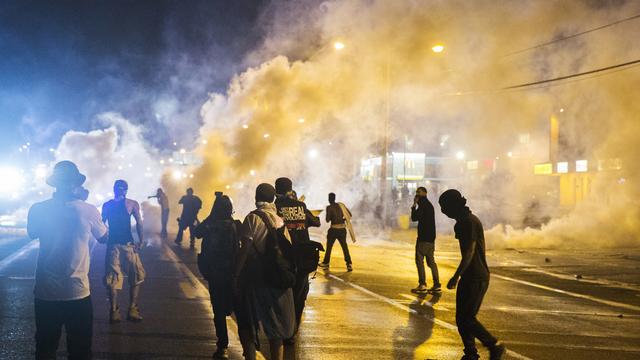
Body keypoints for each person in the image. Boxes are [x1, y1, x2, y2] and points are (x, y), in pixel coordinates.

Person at [27, 161, 108, 360]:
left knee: (45, 348)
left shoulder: (38, 208)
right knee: (80, 350)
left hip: (46, 292)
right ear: (75, 184)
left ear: (55, 184)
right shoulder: (88, 210)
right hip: (77, 292)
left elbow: (32, 233)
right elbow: (104, 237)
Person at [439, 189, 505, 360]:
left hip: (476, 276)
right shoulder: (464, 221)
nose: (442, 211)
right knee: (462, 319)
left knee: (467, 318)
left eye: (444, 207)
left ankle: (493, 345)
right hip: (472, 276)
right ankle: (470, 353)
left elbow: (469, 251)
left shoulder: (467, 222)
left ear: (452, 205)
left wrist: (456, 276)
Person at [235, 183, 296, 360]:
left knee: (248, 322)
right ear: (272, 199)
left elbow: (245, 249)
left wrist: (236, 275)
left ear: (256, 198)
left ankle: (251, 357)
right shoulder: (280, 220)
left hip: (257, 279)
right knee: (276, 328)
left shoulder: (252, 218)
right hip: (278, 277)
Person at [194, 192, 242, 360]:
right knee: (239, 310)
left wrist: (210, 216)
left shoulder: (210, 224)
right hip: (233, 273)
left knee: (219, 312)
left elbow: (196, 232)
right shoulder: (235, 225)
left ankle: (222, 347)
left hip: (215, 273)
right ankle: (248, 344)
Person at [274, 177, 321, 344]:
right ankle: (292, 332)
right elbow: (316, 222)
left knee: (280, 296)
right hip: (302, 258)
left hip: (283, 258)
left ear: (276, 190)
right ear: (291, 189)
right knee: (299, 296)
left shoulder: (276, 207)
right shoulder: (301, 206)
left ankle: (282, 330)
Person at [101, 180, 146, 323]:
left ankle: (114, 311)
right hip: (128, 245)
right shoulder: (132, 203)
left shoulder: (107, 205)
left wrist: (103, 238)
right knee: (136, 276)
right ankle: (132, 309)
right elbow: (139, 222)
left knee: (113, 279)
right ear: (125, 190)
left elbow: (102, 224)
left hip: (113, 245)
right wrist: (141, 240)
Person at [410, 186, 440, 294]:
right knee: (431, 262)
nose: (416, 194)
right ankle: (437, 284)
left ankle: (422, 284)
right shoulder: (429, 205)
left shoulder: (422, 205)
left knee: (419, 261)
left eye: (418, 192)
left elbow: (414, 218)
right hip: (431, 238)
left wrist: (414, 205)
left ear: (424, 193)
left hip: (423, 238)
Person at [319, 192, 354, 271]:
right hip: (342, 229)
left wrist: (329, 215)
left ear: (329, 199)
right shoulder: (341, 206)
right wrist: (343, 219)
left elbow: (327, 220)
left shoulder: (329, 207)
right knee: (344, 247)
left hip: (334, 229)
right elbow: (350, 215)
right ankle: (349, 264)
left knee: (329, 247)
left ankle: (326, 262)